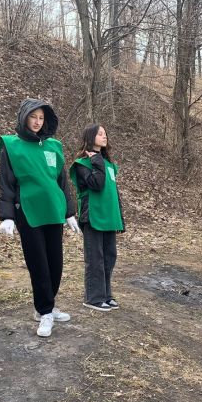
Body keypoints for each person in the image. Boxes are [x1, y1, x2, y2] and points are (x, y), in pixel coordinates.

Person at [0, 98, 80, 337]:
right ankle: (44, 310)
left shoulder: (54, 146)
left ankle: (47, 305)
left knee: (56, 263)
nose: (37, 122)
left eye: (41, 118)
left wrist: (69, 212)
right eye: (33, 117)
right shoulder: (12, 145)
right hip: (29, 212)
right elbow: (6, 183)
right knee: (39, 263)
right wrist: (7, 216)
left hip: (53, 211)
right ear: (24, 117)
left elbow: (62, 182)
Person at [69, 124, 124, 312]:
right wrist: (97, 163)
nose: (104, 136)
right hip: (92, 216)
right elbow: (97, 185)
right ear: (90, 137)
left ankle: (106, 295)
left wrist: (120, 219)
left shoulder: (108, 165)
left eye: (105, 133)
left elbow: (113, 194)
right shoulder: (82, 164)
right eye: (100, 133)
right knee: (95, 258)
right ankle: (93, 298)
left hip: (109, 217)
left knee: (109, 257)